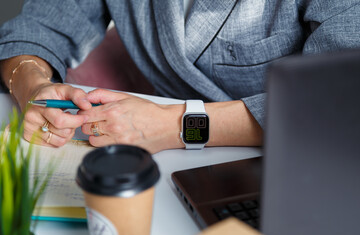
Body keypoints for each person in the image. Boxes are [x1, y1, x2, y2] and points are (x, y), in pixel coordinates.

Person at [0, 0, 359, 154]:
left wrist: (176, 126)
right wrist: (34, 85)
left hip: (290, 163)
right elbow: (37, 26)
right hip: (164, 164)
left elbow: (341, 98)